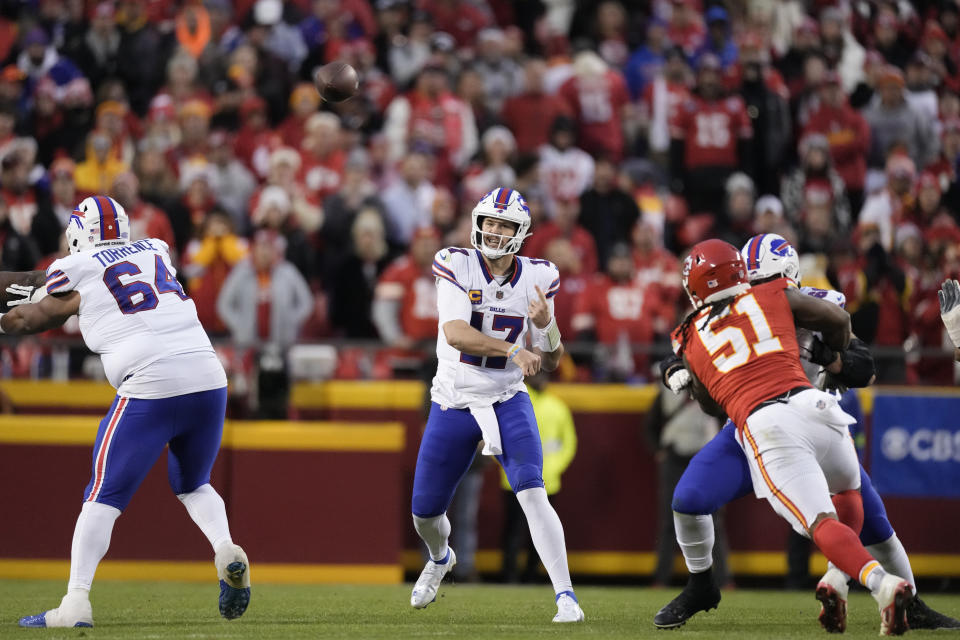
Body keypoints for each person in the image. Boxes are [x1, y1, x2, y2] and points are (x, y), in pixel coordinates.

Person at [655, 234, 960, 632]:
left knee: (876, 525)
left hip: (807, 412)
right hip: (750, 425)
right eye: (752, 279)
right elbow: (685, 350)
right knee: (689, 498)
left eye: (764, 279)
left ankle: (898, 598)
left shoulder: (808, 301)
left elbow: (863, 368)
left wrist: (829, 359)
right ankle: (701, 586)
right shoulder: (747, 304)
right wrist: (673, 368)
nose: (757, 286)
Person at [4, 196, 249, 628]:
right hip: (209, 375)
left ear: (79, 231)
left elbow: (34, 317)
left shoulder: (76, 267)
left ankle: (75, 602)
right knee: (193, 483)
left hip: (150, 382)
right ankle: (225, 547)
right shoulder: (155, 249)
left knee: (103, 495)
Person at [411, 187, 584, 623]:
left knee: (532, 490)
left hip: (507, 396)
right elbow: (454, 333)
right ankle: (439, 557)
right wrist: (513, 350)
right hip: (455, 398)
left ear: (519, 232)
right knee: (425, 513)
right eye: (489, 221)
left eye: (503, 224)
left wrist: (546, 329)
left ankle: (567, 597)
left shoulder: (539, 276)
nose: (493, 230)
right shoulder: (457, 263)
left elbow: (551, 360)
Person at [500, 369, 577, 584]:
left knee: (541, 531)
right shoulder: (514, 402)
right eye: (537, 375)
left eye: (544, 376)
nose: (541, 379)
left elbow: (568, 444)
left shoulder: (558, 406)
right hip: (514, 481)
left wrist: (554, 468)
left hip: (548, 481)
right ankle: (510, 576)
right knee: (514, 531)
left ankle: (531, 575)